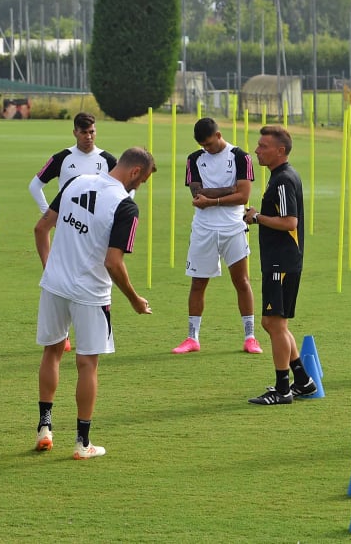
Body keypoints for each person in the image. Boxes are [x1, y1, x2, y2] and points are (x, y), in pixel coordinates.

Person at [33, 147, 155, 459]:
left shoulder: (75, 182)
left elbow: (40, 228)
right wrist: (135, 300)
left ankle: (44, 427)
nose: (137, 188)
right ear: (135, 172)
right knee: (87, 364)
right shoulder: (126, 207)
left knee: (52, 352)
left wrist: (51, 268)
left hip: (54, 285)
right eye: (140, 182)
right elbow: (114, 263)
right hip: (90, 293)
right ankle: (82, 442)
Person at [173, 117, 260, 355]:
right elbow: (197, 192)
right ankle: (192, 338)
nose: (207, 149)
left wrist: (213, 199)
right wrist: (229, 189)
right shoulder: (194, 159)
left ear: (219, 135)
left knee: (242, 282)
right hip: (203, 229)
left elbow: (243, 196)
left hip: (233, 227)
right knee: (198, 283)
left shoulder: (241, 157)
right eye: (203, 146)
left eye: (210, 144)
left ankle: (250, 337)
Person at [243, 126, 316, 405]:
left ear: (280, 151)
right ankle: (302, 380)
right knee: (274, 323)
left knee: (274, 323)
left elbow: (290, 222)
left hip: (282, 262)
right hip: (280, 260)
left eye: (262, 146)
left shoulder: (283, 180)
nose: (257, 150)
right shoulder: (279, 177)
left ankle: (282, 389)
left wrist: (257, 217)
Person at [28, 112, 118, 213]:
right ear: (75, 133)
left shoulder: (108, 160)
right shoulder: (61, 158)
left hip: (96, 225)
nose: (88, 137)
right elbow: (34, 185)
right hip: (67, 223)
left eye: (91, 132)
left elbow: (128, 187)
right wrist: (48, 214)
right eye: (84, 132)